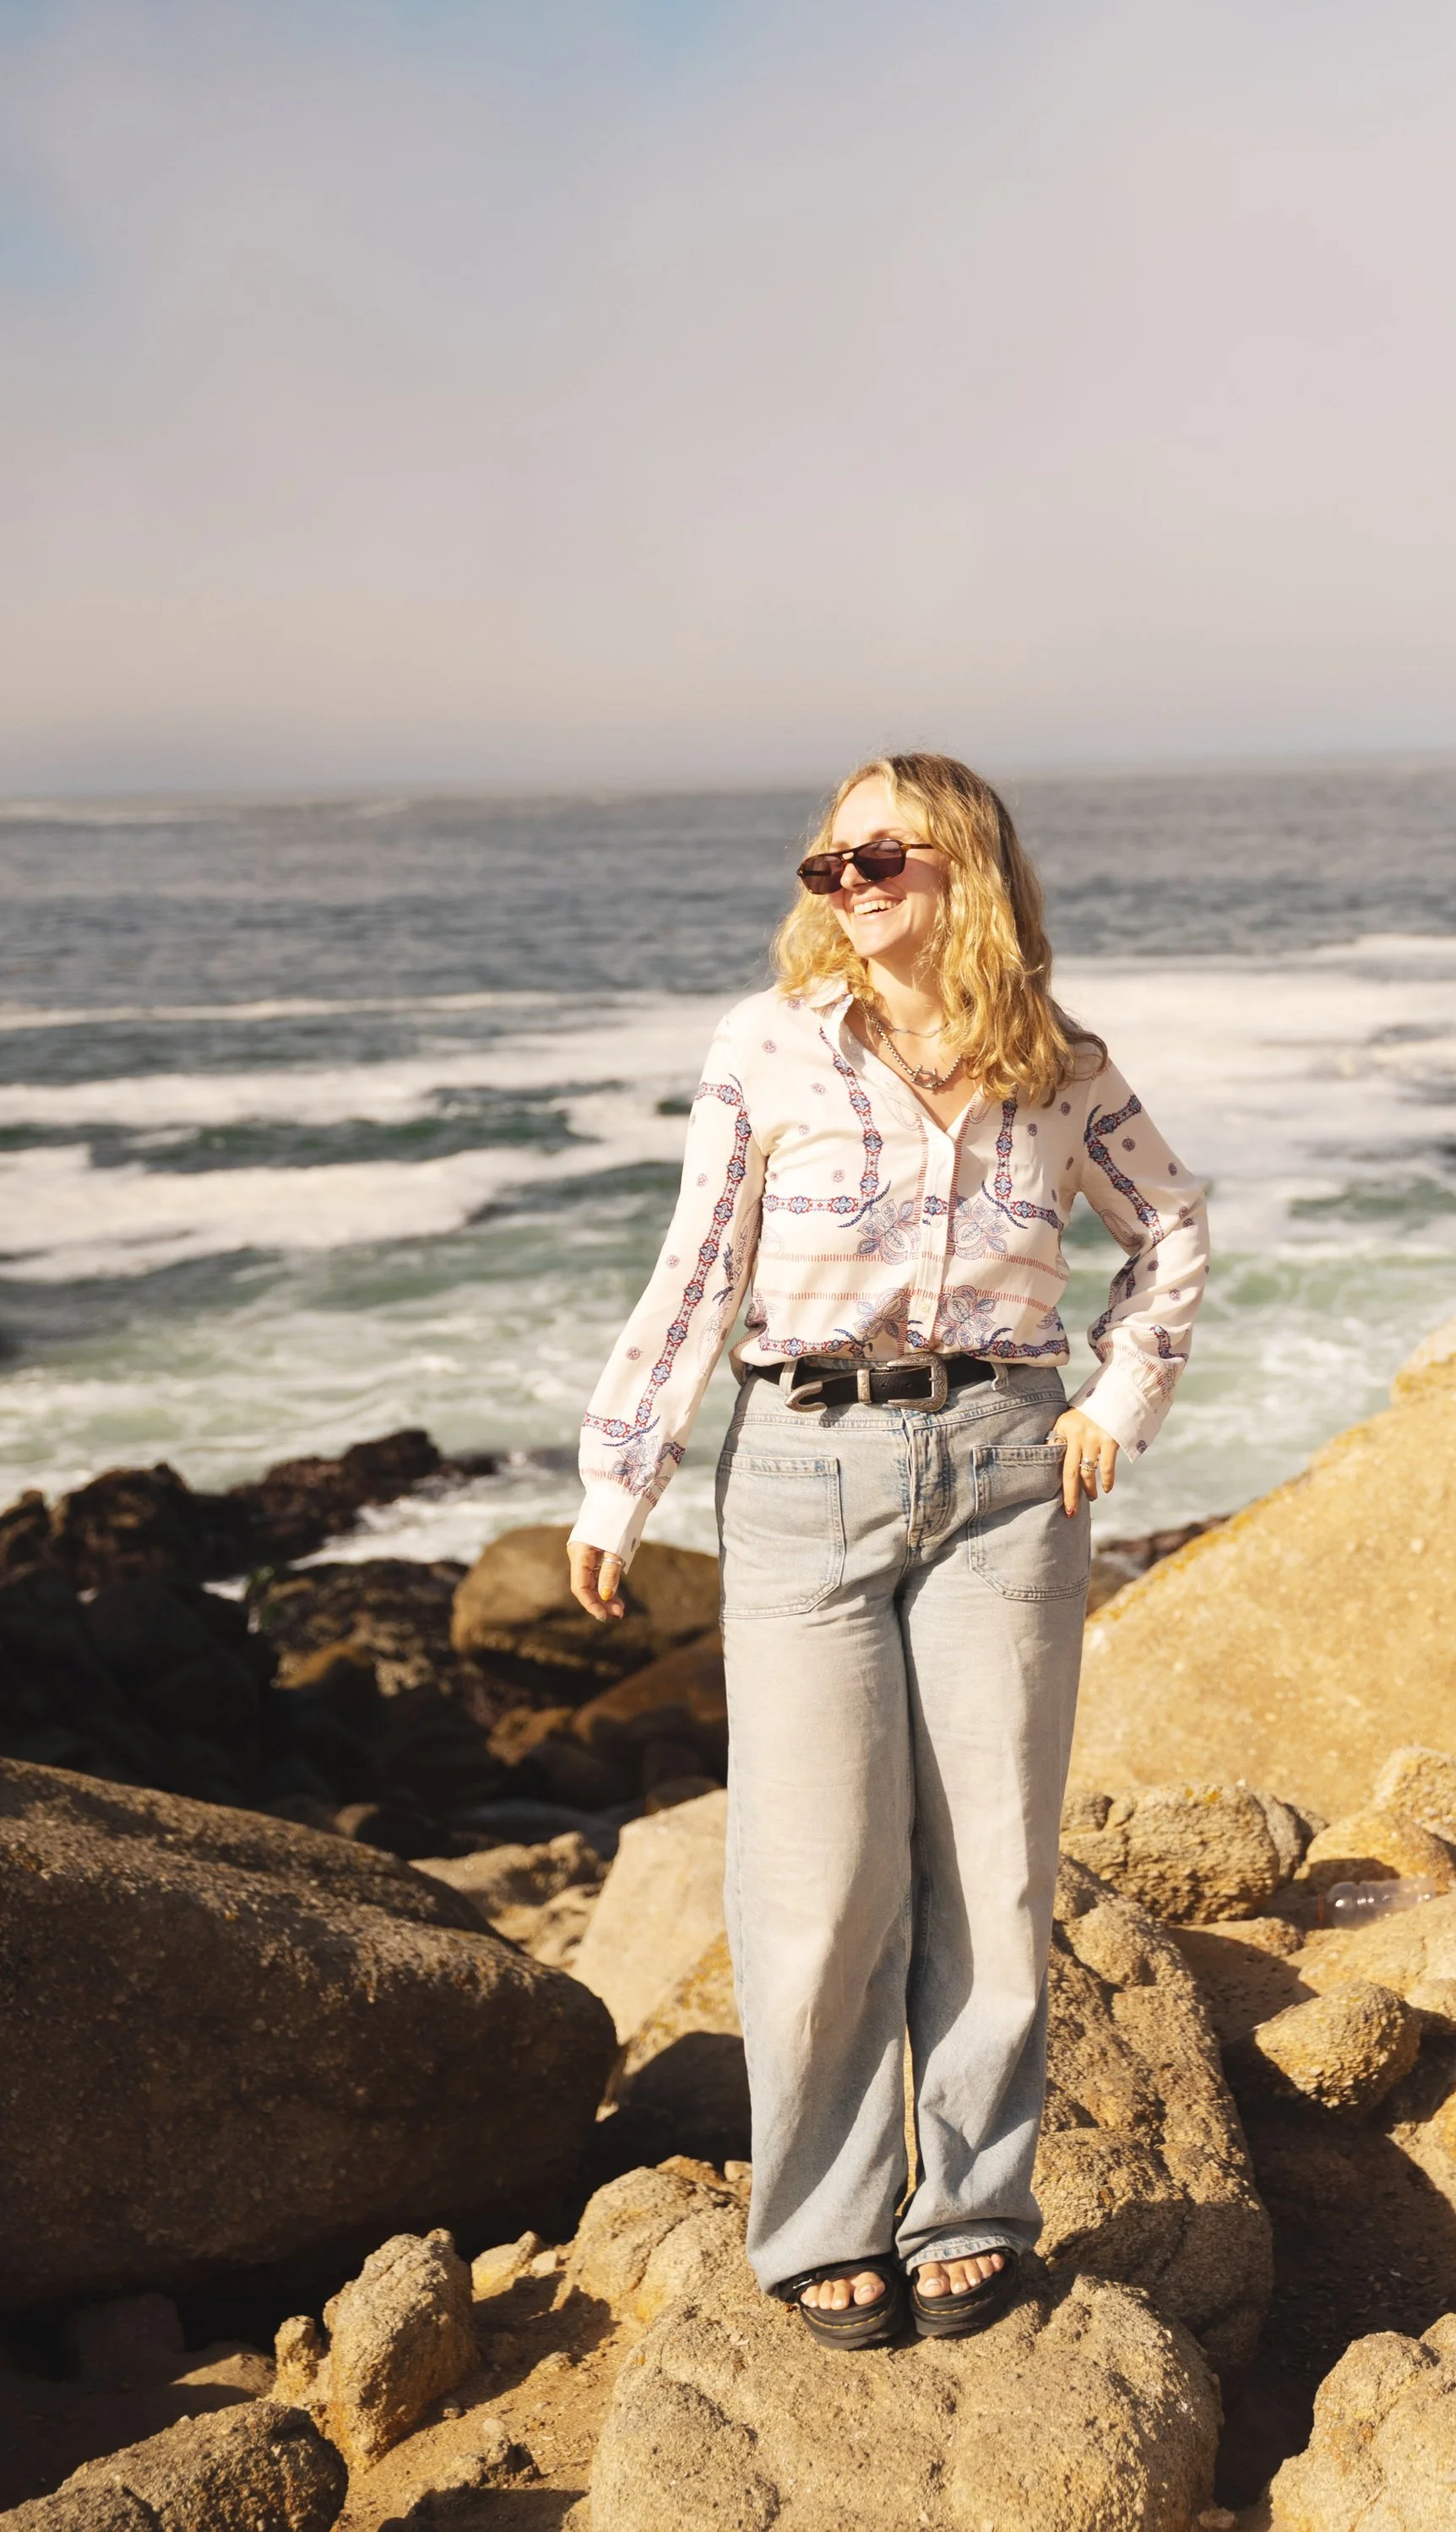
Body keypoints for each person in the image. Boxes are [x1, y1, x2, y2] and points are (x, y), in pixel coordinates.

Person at [566, 751, 1209, 2349]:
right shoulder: (769, 1047)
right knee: (822, 1879)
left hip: (1008, 1471)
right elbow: (699, 1267)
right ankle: (824, 2222)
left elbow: (1173, 1223)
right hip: (801, 1473)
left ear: (964, 871)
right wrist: (615, 1482)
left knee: (993, 1869)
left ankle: (971, 2207)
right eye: (830, 866)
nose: (849, 888)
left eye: (882, 860)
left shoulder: (1062, 1066)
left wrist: (1121, 1394)